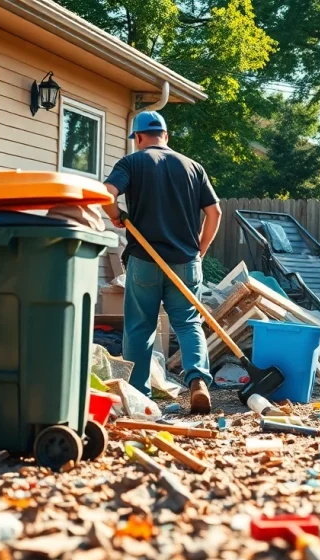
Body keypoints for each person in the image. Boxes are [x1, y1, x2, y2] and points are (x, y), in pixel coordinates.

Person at [101, 111, 223, 414]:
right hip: (185, 261)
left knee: (140, 328)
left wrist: (115, 216)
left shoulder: (132, 162)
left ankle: (140, 398)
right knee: (188, 323)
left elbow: (106, 193)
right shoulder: (193, 167)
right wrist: (200, 249)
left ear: (139, 138)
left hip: (145, 260)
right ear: (165, 136)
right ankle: (198, 382)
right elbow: (215, 212)